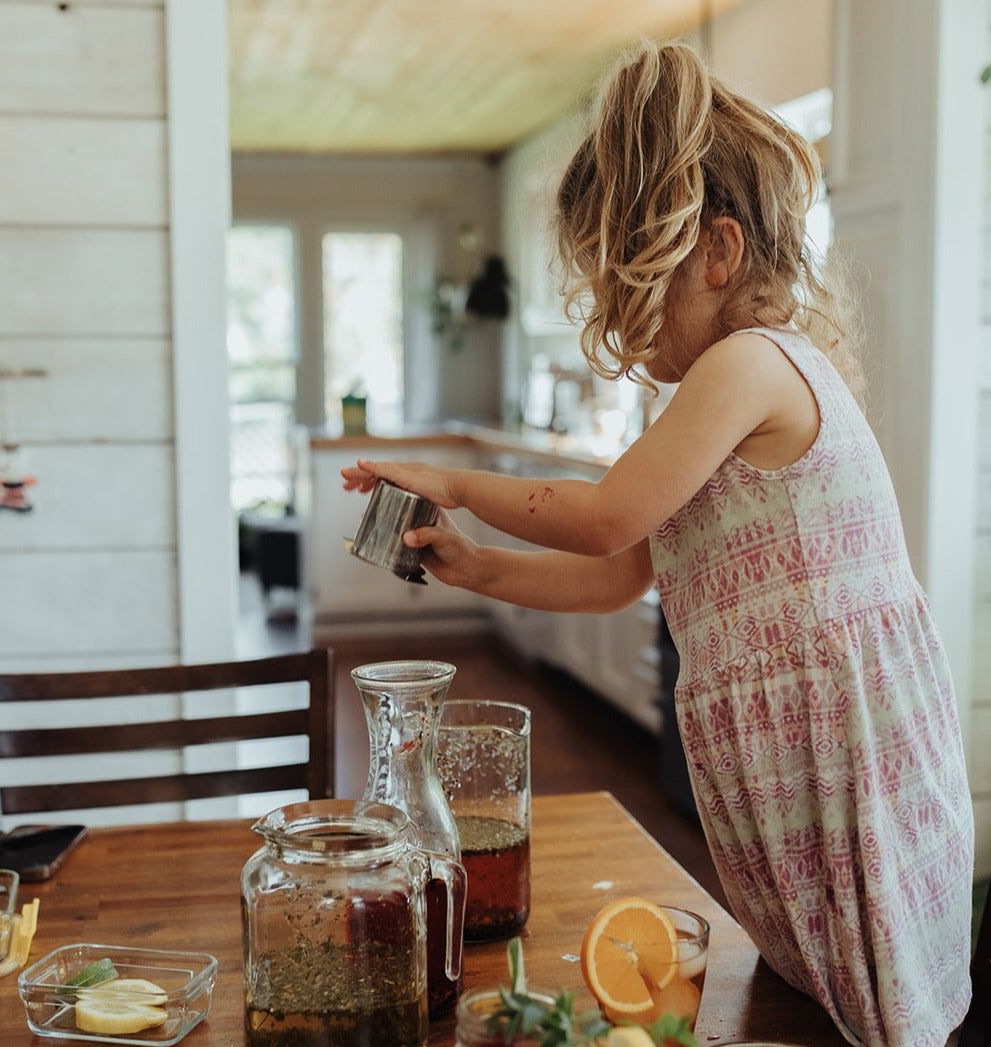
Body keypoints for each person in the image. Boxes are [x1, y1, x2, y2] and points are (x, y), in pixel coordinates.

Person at [340, 38, 974, 1047]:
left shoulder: (753, 366)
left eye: (632, 287)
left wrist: (455, 477)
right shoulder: (714, 390)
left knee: (876, 1001)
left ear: (718, 252)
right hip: (789, 757)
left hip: (843, 756)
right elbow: (617, 575)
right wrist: (479, 564)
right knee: (814, 991)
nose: (620, 328)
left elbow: (604, 517)